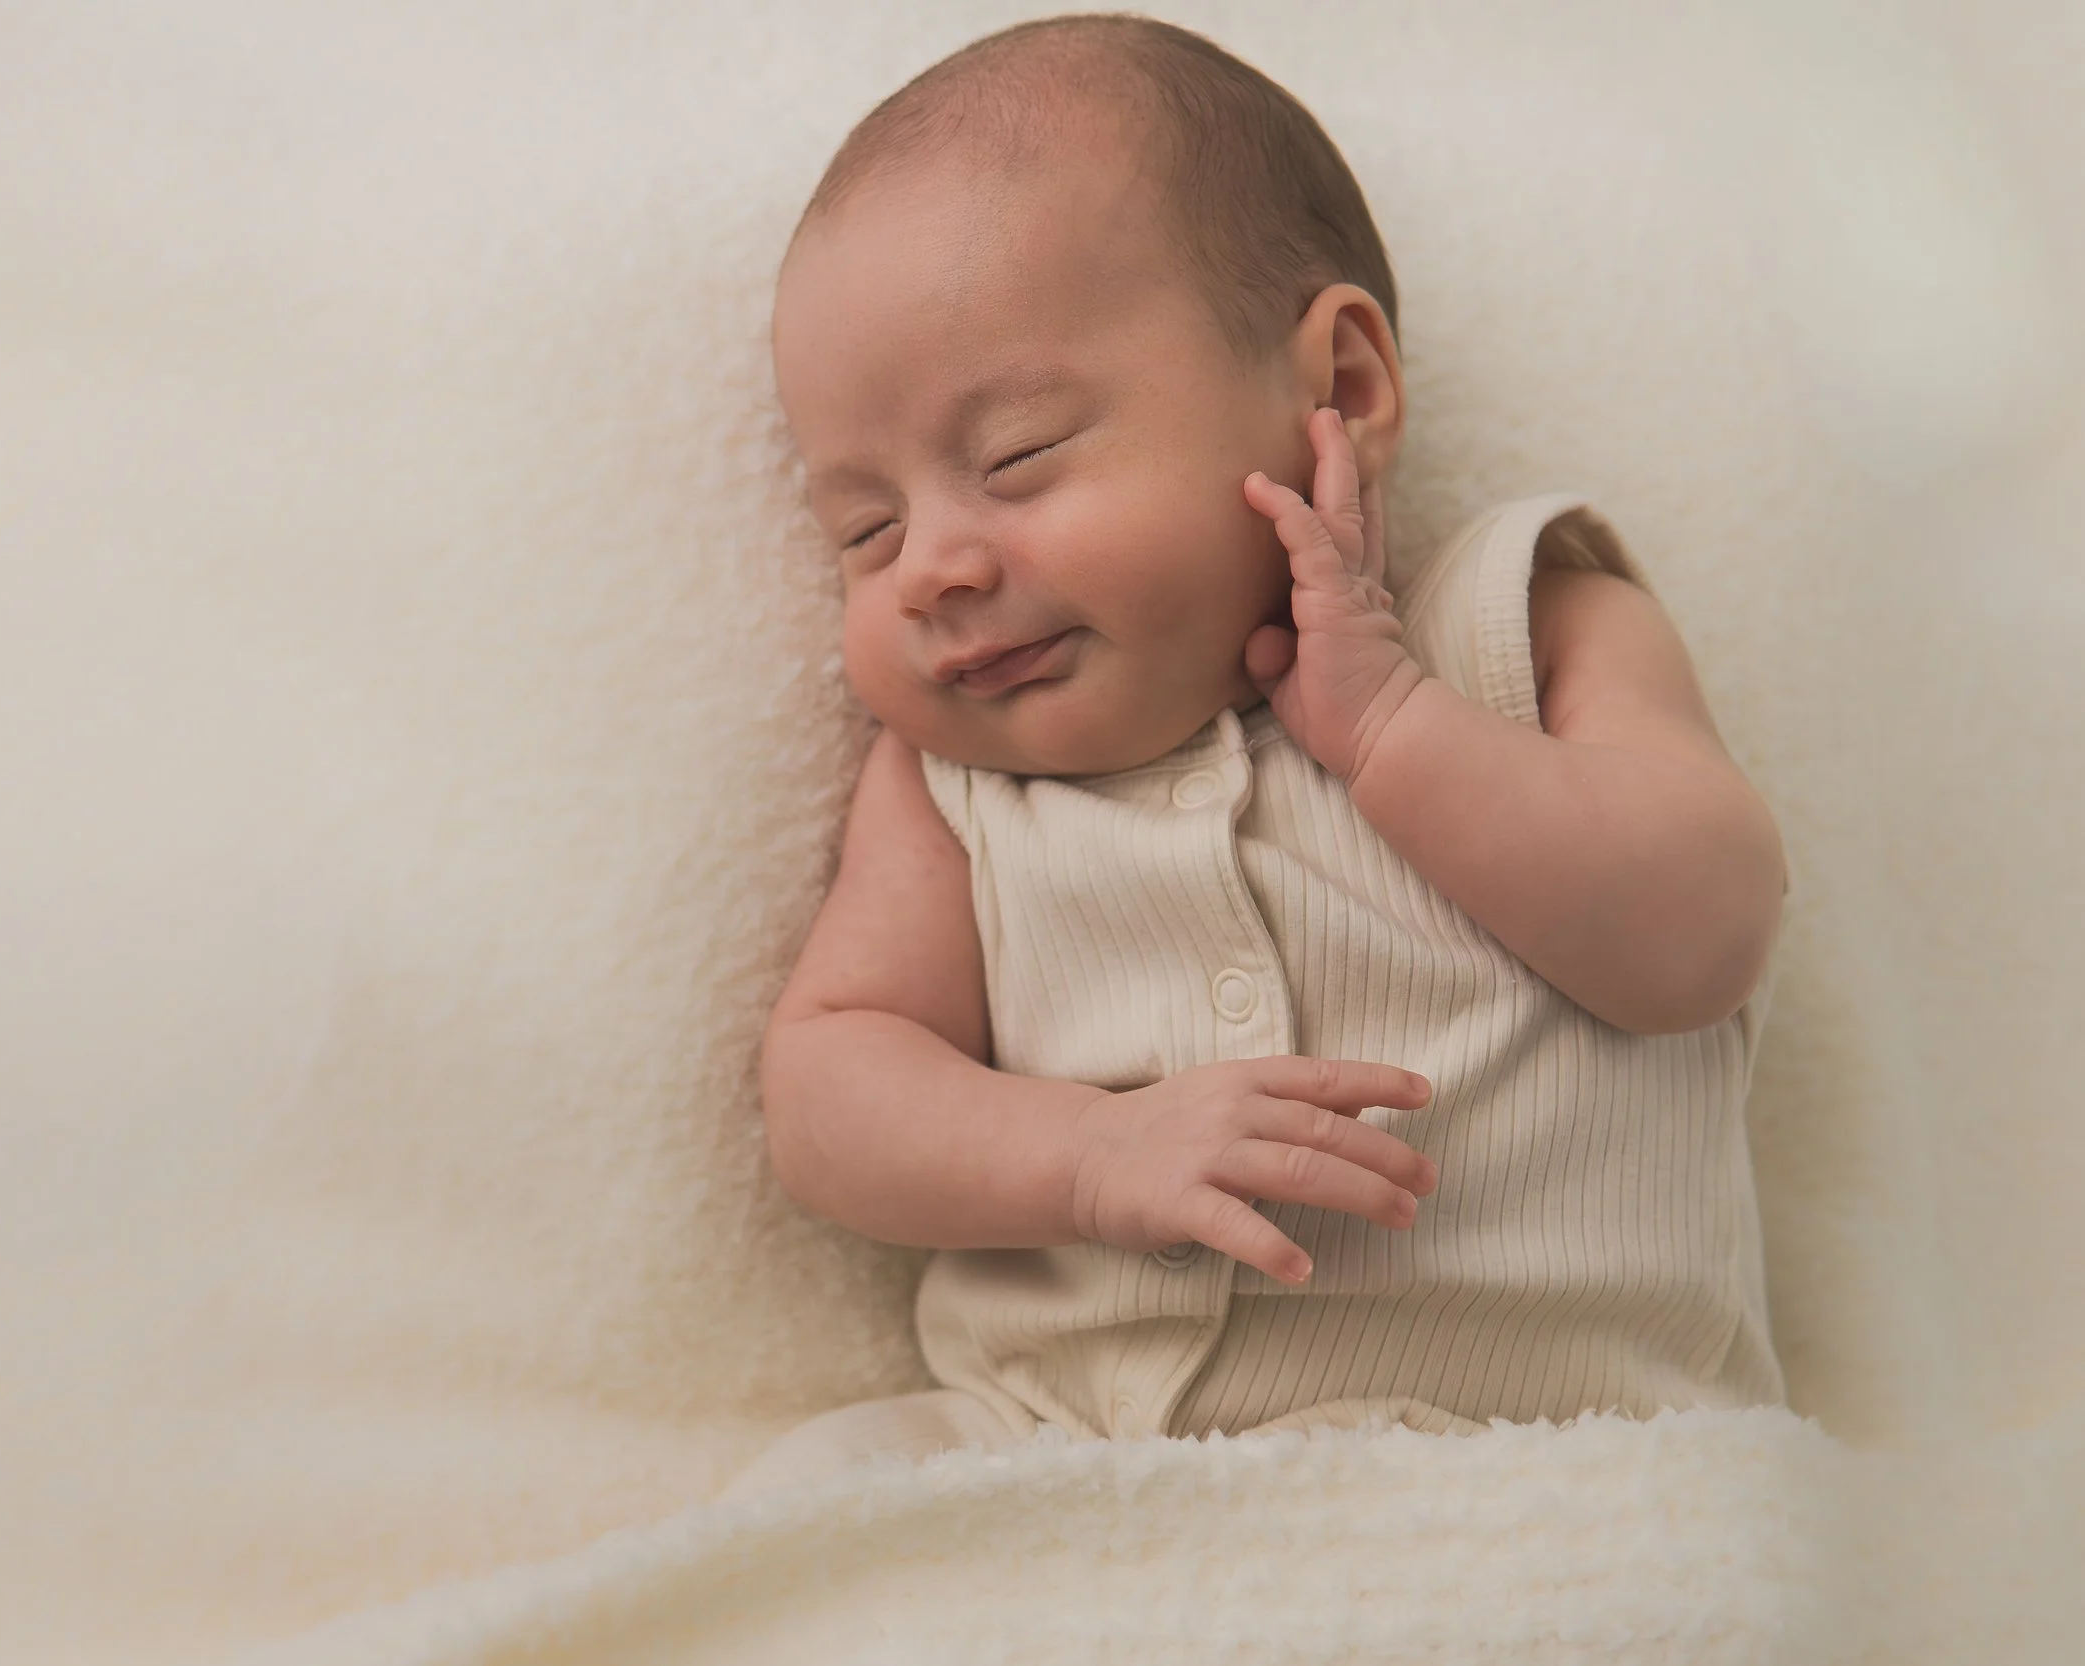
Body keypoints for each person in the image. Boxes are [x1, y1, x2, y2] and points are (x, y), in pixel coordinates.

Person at [723, 13, 1789, 1499]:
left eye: (1018, 453)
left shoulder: (1526, 629)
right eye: (865, 528)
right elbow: (831, 1090)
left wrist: (1400, 730)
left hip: (1569, 1460)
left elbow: (1706, 933)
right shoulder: (954, 788)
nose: (931, 571)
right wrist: (1088, 1159)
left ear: (1338, 393)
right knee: (812, 1497)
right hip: (1069, 1456)